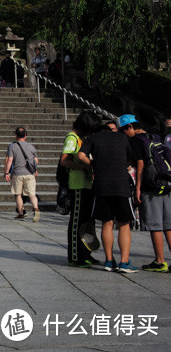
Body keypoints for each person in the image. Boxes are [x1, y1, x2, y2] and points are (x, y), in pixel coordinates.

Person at [76, 114, 139, 273]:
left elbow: (80, 155)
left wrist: (92, 164)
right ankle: (124, 262)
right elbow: (133, 158)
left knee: (107, 223)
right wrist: (123, 165)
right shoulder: (122, 138)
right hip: (121, 186)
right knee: (124, 224)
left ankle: (109, 261)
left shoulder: (92, 139)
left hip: (102, 186)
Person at [61, 110, 102, 267]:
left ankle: (86, 253)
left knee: (87, 221)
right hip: (77, 184)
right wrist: (83, 166)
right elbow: (64, 161)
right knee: (77, 221)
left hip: (87, 184)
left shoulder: (81, 139)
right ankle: (75, 256)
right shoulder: (72, 138)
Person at [136, 115, 171, 273]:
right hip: (167, 184)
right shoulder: (157, 138)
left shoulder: (139, 141)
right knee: (169, 226)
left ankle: (160, 261)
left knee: (155, 225)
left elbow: (140, 165)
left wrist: (138, 188)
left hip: (152, 186)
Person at [5, 127, 40, 221]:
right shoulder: (31, 146)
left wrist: (6, 172)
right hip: (29, 173)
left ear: (15, 135)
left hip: (17, 173)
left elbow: (10, 160)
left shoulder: (13, 146)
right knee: (32, 194)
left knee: (18, 194)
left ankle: (21, 213)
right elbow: (36, 160)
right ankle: (36, 208)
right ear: (25, 135)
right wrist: (34, 169)